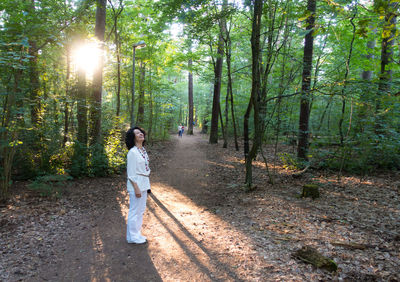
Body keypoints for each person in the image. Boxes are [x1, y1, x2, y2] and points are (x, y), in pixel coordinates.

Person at [125, 127, 151, 244]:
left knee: (140, 210)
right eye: (137, 133)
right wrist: (136, 187)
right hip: (136, 184)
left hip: (144, 182)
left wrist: (147, 185)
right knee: (134, 210)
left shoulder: (143, 150)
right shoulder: (132, 152)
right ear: (133, 137)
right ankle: (133, 236)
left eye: (141, 132)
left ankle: (134, 235)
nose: (140, 133)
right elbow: (130, 173)